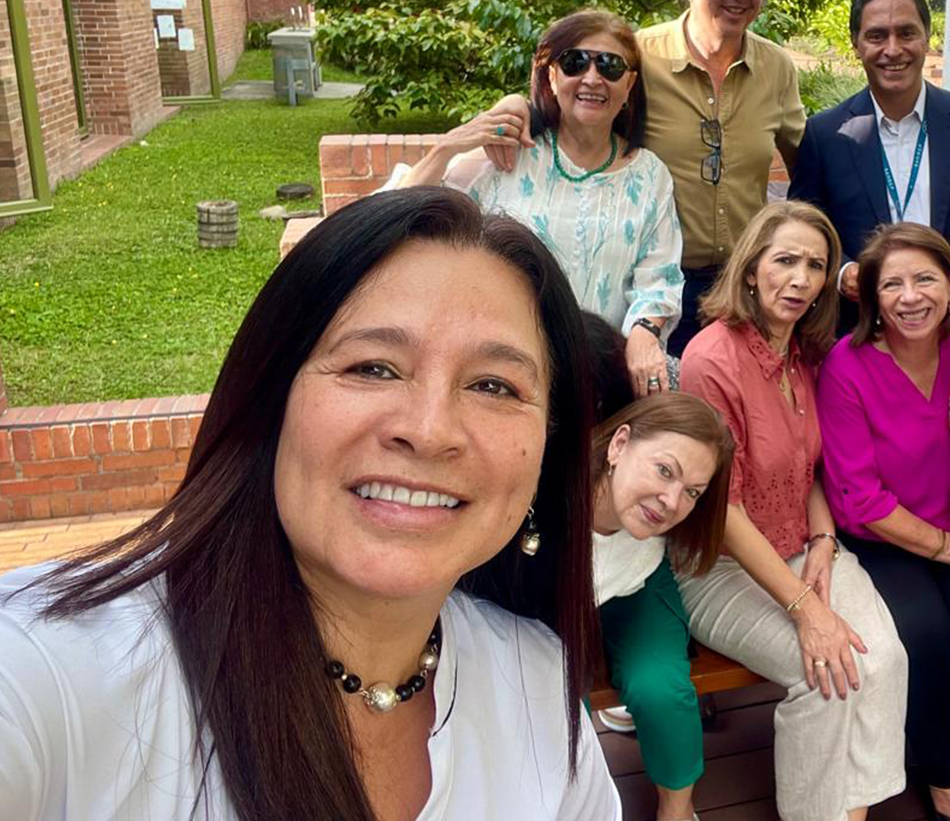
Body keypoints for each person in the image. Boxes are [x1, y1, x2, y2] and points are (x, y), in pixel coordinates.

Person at [0, 187, 619, 819]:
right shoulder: (53, 673)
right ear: (271, 402)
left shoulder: (537, 685)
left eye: (493, 385)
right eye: (373, 368)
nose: (429, 430)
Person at [680, 200, 909, 821]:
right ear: (752, 268)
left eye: (815, 265)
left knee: (885, 660)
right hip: (720, 567)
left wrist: (824, 542)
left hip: (804, 545)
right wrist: (807, 610)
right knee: (825, 674)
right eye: (785, 261)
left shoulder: (805, 354)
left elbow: (808, 469)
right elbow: (723, 511)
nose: (800, 279)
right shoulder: (710, 360)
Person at [479, 0, 807, 358]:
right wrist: (516, 107)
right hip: (661, 284)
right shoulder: (640, 57)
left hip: (745, 286)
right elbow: (579, 97)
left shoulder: (776, 68)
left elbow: (806, 165)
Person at [816, 222, 950, 821]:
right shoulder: (847, 365)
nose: (910, 297)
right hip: (885, 540)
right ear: (870, 296)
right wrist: (946, 547)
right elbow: (859, 497)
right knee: (923, 636)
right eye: (892, 284)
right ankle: (942, 776)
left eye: (925, 279)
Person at [387, 10, 683, 398]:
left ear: (629, 85)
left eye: (610, 66)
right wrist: (448, 147)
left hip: (600, 377)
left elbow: (659, 277)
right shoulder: (507, 155)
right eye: (575, 62)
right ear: (552, 75)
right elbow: (396, 214)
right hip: (502, 368)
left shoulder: (649, 176)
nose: (592, 78)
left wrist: (644, 333)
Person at [788, 0, 950, 321]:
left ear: (927, 37)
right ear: (856, 44)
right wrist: (842, 271)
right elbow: (803, 234)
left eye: (906, 33)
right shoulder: (825, 134)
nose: (893, 49)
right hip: (861, 329)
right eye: (876, 36)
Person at [589, 391, 736, 821]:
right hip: (551, 597)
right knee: (551, 692)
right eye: (664, 470)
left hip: (637, 582)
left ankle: (677, 809)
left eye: (691, 492)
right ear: (619, 444)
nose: (672, 501)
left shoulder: (655, 530)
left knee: (660, 687)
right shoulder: (552, 491)